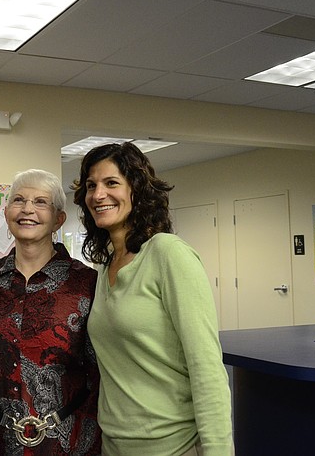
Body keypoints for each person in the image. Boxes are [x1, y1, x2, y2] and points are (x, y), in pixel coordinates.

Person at [72, 143, 232, 456]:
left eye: (112, 183)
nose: (98, 194)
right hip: (114, 443)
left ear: (137, 190)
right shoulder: (104, 266)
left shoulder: (168, 253)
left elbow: (207, 367)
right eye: (92, 186)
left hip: (170, 445)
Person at [0, 169, 102, 455]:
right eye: (19, 200)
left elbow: (101, 369)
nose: (27, 209)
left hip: (68, 440)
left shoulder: (86, 283)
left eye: (40, 202)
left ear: (58, 219)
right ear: (6, 212)